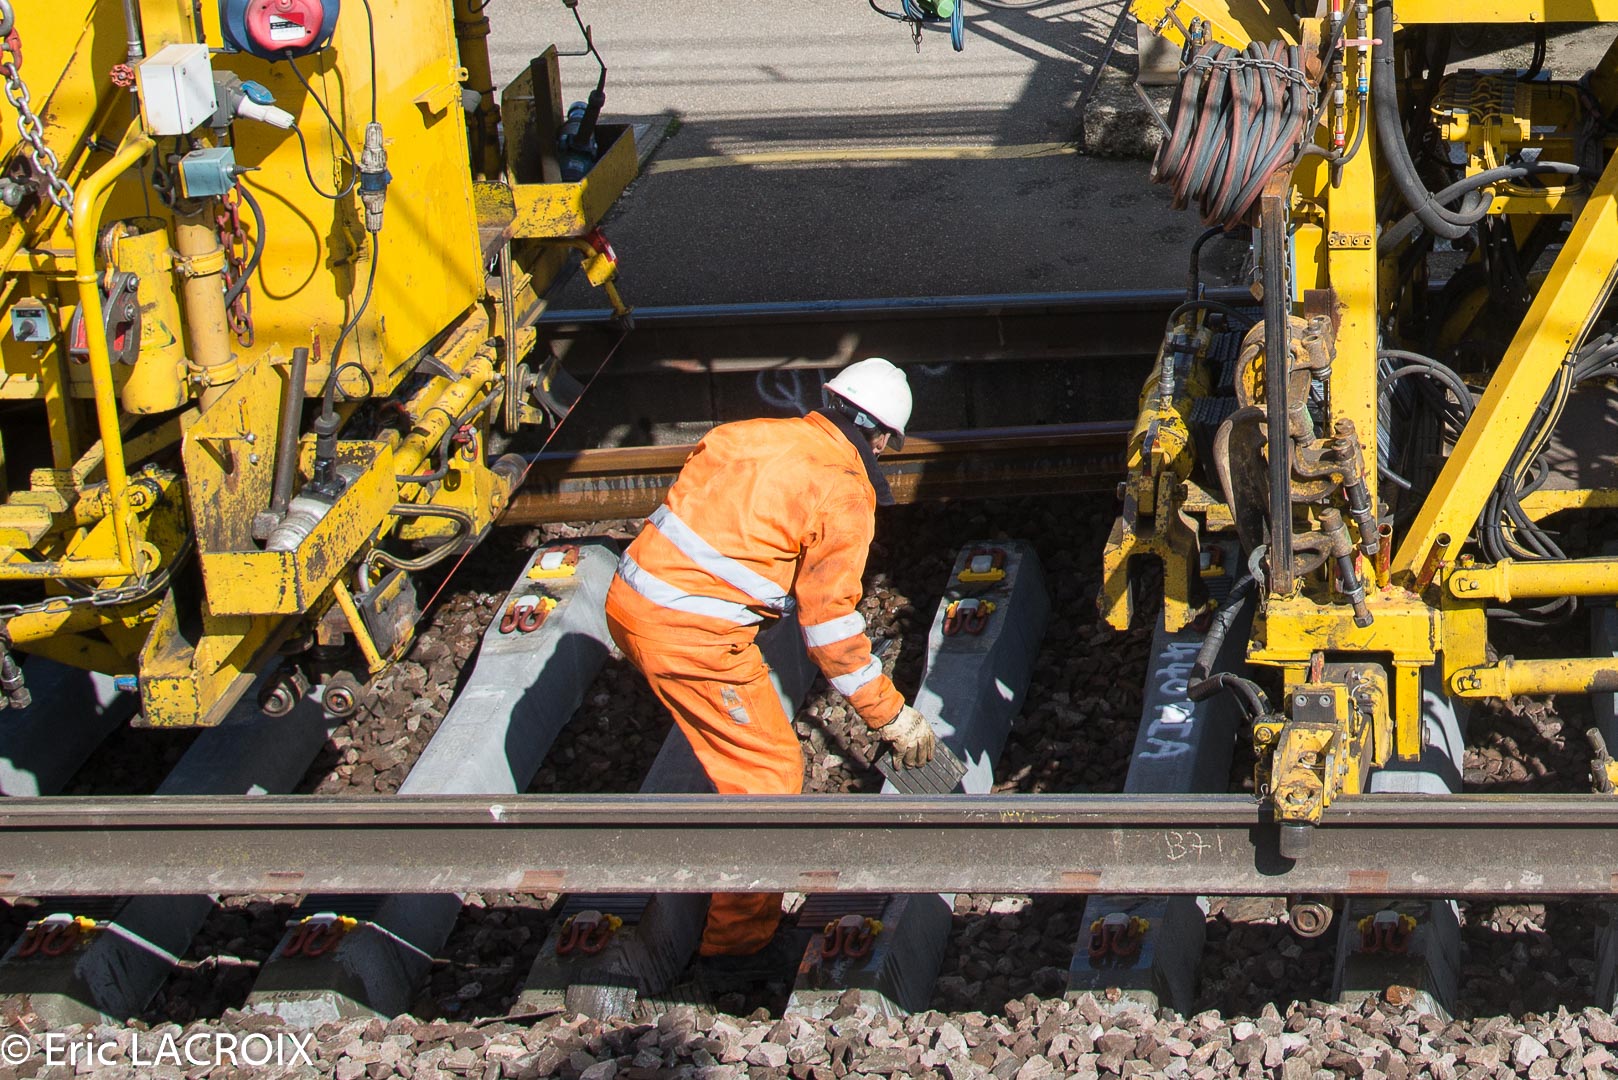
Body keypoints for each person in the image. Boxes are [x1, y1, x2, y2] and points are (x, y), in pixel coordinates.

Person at [603, 357, 938, 980]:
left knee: (740, 747)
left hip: (630, 600)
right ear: (881, 438)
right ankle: (736, 949)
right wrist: (889, 715)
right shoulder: (844, 490)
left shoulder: (747, 432)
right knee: (769, 775)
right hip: (690, 636)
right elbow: (831, 630)